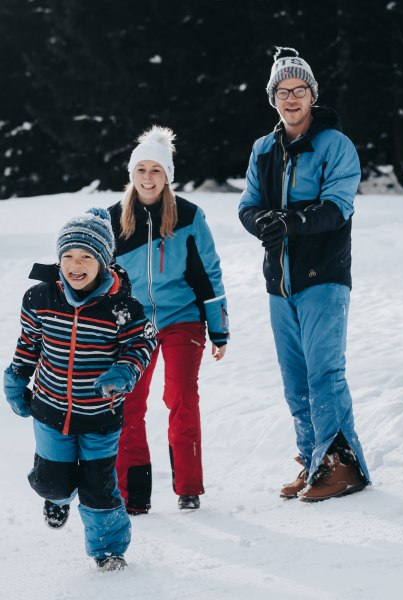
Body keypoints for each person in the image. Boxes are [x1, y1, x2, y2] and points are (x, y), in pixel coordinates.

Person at [239, 47, 370, 502]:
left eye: (299, 89)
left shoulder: (336, 145)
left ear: (312, 94)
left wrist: (291, 222)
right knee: (294, 379)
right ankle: (314, 461)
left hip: (323, 276)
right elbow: (248, 204)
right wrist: (260, 223)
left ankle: (342, 466)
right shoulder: (263, 149)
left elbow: (338, 206)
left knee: (324, 374)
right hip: (279, 282)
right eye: (282, 90)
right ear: (272, 98)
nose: (291, 97)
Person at [3, 207, 156, 571]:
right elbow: (29, 342)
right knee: (52, 483)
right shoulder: (40, 298)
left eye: (86, 256)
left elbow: (142, 346)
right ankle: (56, 497)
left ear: (103, 261)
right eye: (68, 256)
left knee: (99, 489)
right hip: (50, 410)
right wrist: (16, 376)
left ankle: (108, 551)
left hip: (100, 415)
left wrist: (124, 371)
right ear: (59, 260)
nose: (76, 264)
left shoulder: (124, 309)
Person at [108, 125, 229, 513]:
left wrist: (219, 326)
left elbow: (208, 273)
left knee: (180, 397)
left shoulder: (190, 217)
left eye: (156, 170)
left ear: (167, 176)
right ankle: (134, 496)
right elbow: (95, 279)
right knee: (129, 403)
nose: (148, 177)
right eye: (141, 169)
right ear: (132, 174)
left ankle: (188, 488)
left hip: (182, 319)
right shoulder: (110, 220)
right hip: (132, 326)